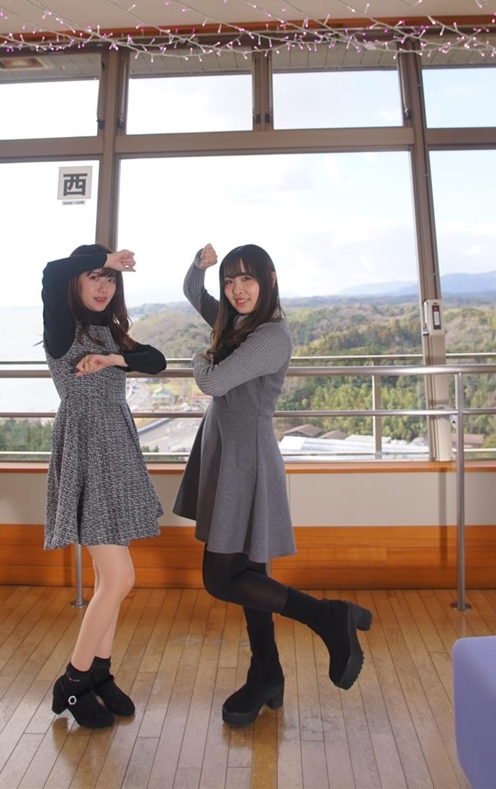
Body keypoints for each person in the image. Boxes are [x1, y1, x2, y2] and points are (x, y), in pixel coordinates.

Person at [173, 243, 372, 727]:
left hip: (247, 462)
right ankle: (267, 673)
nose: (237, 289)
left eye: (247, 279)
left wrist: (200, 359)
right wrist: (198, 267)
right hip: (230, 452)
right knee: (250, 576)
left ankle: (326, 616)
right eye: (229, 281)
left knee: (222, 578)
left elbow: (211, 383)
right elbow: (192, 292)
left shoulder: (270, 336)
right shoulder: (239, 324)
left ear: (270, 279)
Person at [42, 244, 166, 728]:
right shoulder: (62, 328)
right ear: (77, 280)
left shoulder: (110, 331)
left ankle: (99, 673)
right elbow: (52, 272)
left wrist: (114, 358)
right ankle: (72, 682)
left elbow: (155, 360)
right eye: (94, 276)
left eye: (110, 279)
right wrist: (105, 256)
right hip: (86, 453)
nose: (103, 286)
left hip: (116, 452)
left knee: (106, 580)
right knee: (119, 579)